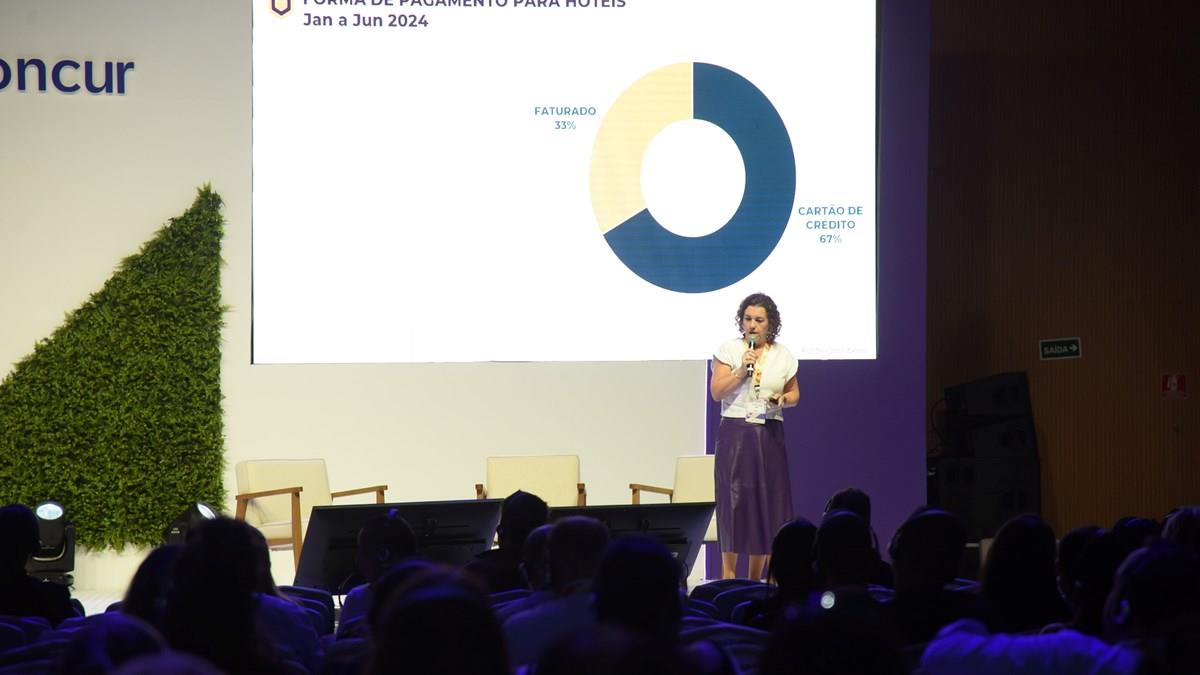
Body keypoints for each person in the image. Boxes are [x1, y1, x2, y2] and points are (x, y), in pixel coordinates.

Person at [709, 292, 799, 580]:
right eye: (748, 319)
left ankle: (755, 579)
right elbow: (716, 392)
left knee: (765, 502)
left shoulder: (783, 355)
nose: (752, 325)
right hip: (735, 434)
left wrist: (783, 400)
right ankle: (728, 577)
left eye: (759, 320)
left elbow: (794, 393)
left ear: (770, 323)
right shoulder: (729, 350)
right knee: (735, 504)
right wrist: (739, 372)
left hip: (769, 432)